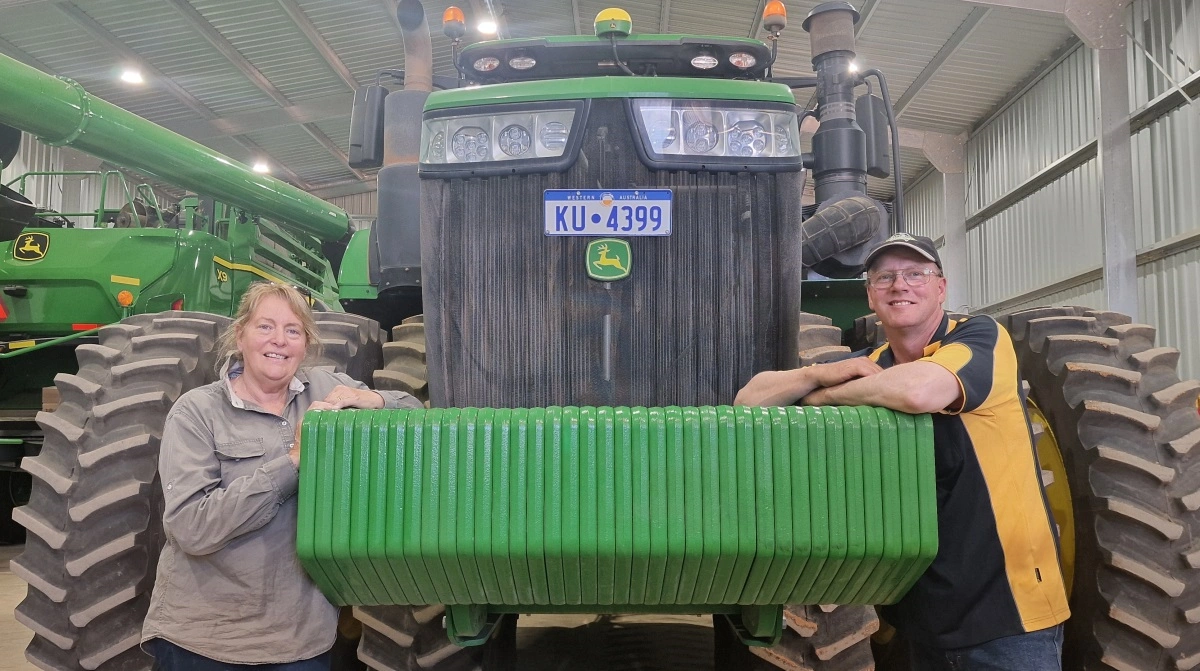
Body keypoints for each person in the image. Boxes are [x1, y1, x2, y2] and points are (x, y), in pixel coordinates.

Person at [736, 233, 1070, 671]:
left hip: (1006, 617)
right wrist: (822, 371)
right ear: (870, 295)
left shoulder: (982, 338)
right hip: (922, 620)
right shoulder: (874, 364)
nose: (900, 285)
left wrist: (827, 396)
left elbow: (920, 391)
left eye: (916, 274)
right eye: (885, 277)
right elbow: (749, 400)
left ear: (941, 288)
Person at [141, 282, 422, 670]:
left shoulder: (326, 389)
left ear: (306, 345)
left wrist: (373, 399)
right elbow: (192, 527)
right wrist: (295, 460)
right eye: (265, 327)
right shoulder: (197, 412)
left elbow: (417, 418)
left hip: (300, 643)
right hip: (205, 642)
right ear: (240, 335)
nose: (280, 341)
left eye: (293, 331)